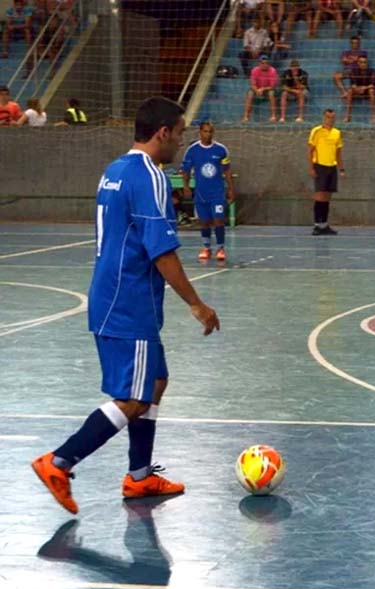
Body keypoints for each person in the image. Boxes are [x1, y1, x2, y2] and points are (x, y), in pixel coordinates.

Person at [31, 96, 221, 514]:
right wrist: (196, 303)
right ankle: (59, 462)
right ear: (163, 133)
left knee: (155, 382)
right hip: (128, 302)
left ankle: (139, 478)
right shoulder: (150, 176)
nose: (182, 141)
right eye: (181, 132)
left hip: (114, 295)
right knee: (132, 399)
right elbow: (161, 251)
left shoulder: (115, 170)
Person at [180, 122, 236, 262]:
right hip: (201, 193)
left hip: (217, 193)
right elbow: (186, 170)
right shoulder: (192, 150)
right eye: (205, 131)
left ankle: (220, 248)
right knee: (204, 222)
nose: (208, 134)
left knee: (218, 220)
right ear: (200, 132)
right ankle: (206, 247)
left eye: (210, 131)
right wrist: (186, 186)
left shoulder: (221, 150)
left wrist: (231, 189)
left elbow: (227, 170)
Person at [308, 108, 346, 236]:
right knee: (319, 196)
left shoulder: (337, 133)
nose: (331, 120)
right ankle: (316, 225)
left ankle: (324, 224)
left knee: (327, 197)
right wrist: (311, 167)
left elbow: (338, 153)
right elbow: (310, 151)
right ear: (324, 118)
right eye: (328, 117)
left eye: (333, 117)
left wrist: (341, 168)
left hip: (331, 166)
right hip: (320, 166)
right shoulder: (316, 131)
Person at [242, 55, 278, 122]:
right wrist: (257, 90)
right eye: (262, 63)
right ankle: (246, 116)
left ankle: (273, 116)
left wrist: (263, 89)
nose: (264, 65)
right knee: (250, 93)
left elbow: (273, 86)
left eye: (266, 63)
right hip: (257, 89)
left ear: (268, 64)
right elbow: (252, 84)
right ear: (259, 64)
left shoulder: (273, 71)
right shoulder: (255, 70)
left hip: (268, 89)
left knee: (271, 93)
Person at [343, 55, 375, 123]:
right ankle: (348, 116)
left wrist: (364, 88)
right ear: (358, 63)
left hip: (367, 90)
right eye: (361, 62)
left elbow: (372, 84)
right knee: (350, 91)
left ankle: (374, 117)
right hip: (357, 90)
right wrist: (358, 89)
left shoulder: (372, 71)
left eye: (365, 62)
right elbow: (353, 84)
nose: (363, 64)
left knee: (371, 91)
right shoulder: (353, 71)